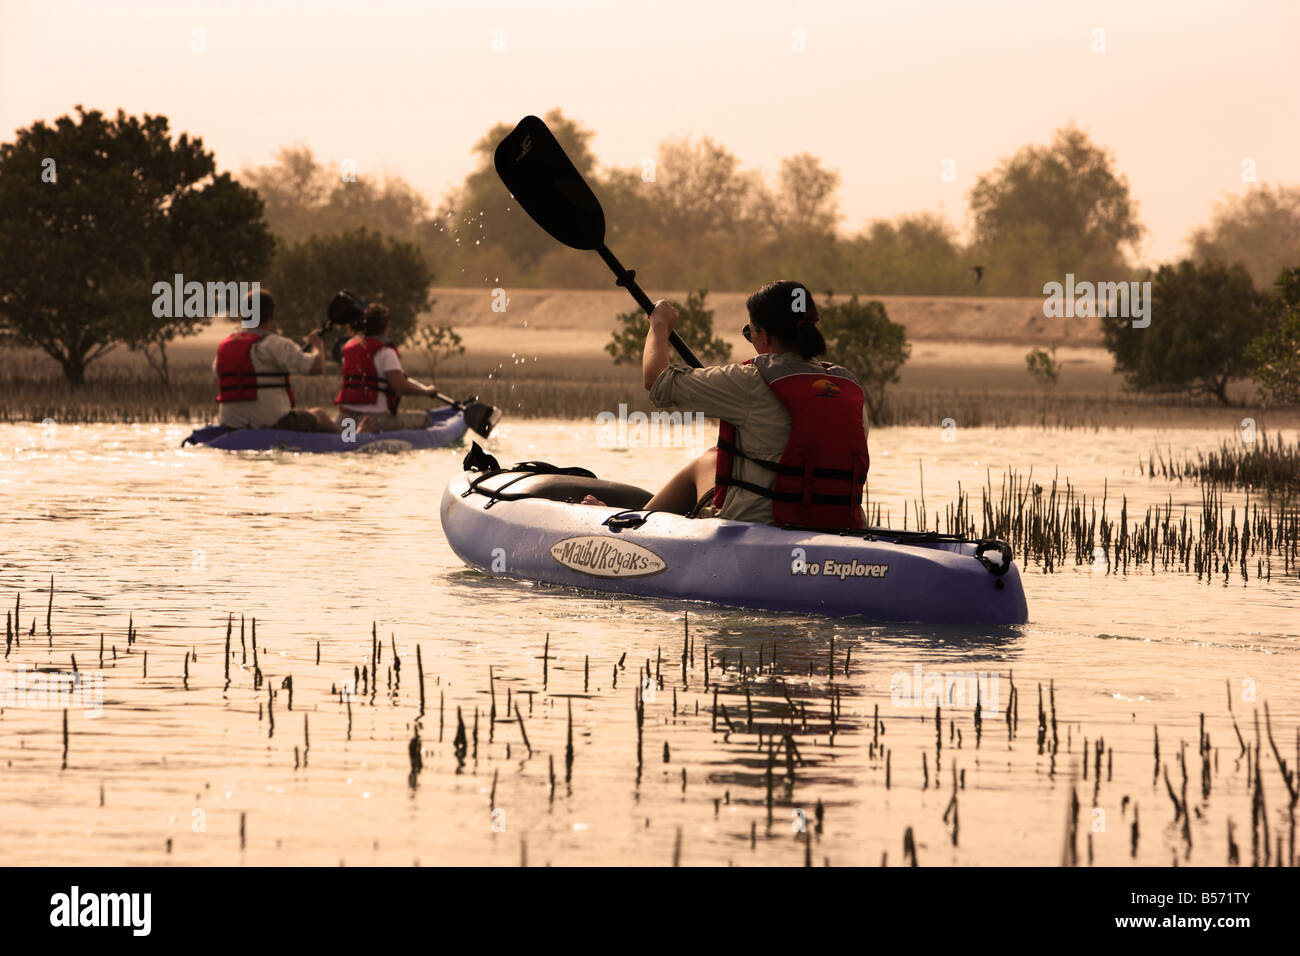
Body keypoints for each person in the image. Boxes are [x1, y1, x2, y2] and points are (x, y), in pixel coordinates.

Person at [586, 280, 870, 530]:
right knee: (718, 455)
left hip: (761, 528)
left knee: (707, 460)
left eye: (751, 333)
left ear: (765, 336)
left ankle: (634, 529)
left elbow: (657, 381)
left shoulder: (749, 380)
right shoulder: (849, 387)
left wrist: (659, 326)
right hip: (838, 527)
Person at [213, 289, 330, 430]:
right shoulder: (276, 344)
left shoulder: (225, 347)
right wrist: (317, 345)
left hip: (231, 422)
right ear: (271, 317)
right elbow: (316, 367)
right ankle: (351, 442)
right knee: (320, 415)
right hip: (271, 423)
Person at [333, 303, 442, 433]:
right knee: (424, 419)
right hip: (375, 419)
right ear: (385, 326)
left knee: (348, 439)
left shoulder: (349, 348)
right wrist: (426, 391)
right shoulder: (386, 351)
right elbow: (400, 387)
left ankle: (353, 435)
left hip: (346, 417)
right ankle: (365, 431)